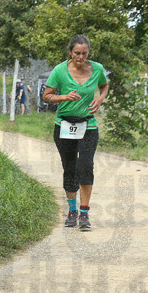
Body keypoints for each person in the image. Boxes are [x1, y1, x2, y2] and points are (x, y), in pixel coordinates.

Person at [42, 34, 109, 231]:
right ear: (70, 52)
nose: (81, 57)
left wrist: (100, 98)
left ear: (89, 52)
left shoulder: (97, 68)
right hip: (64, 125)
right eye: (77, 53)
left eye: (84, 53)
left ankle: (85, 212)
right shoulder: (60, 71)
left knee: (86, 166)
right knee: (69, 167)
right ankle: (72, 211)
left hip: (88, 125)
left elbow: (104, 85)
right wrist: (64, 97)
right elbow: (46, 96)